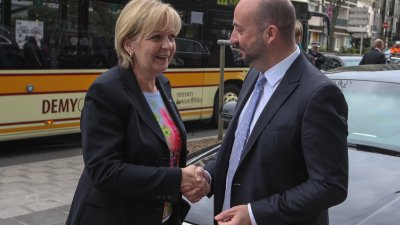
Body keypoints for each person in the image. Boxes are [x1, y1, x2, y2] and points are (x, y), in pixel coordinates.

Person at [194, 0, 349, 224]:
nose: (232, 38)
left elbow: (330, 185)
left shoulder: (319, 94)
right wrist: (208, 176)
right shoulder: (254, 75)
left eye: (239, 29)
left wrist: (255, 214)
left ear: (270, 34)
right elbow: (241, 150)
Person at [66, 1, 209, 225]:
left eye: (171, 36)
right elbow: (104, 171)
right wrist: (177, 179)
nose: (167, 45)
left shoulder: (162, 83)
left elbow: (166, 153)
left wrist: (189, 180)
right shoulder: (106, 91)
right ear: (128, 44)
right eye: (156, 37)